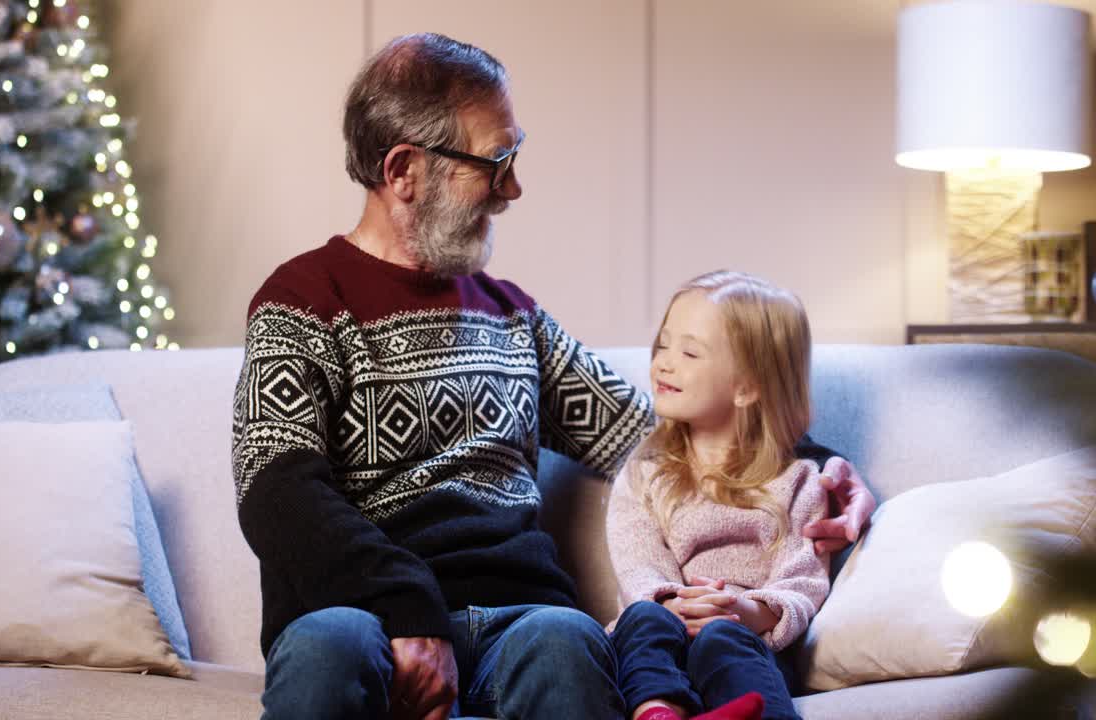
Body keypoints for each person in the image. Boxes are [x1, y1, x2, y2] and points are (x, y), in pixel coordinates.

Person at [230, 33, 875, 720]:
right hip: (358, 613)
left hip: (524, 619)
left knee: (568, 641)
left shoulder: (514, 317)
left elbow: (660, 434)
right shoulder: (302, 301)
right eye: (495, 162)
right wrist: (407, 608)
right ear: (404, 170)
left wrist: (813, 467)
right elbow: (277, 492)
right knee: (323, 648)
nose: (512, 188)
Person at [607, 271, 827, 720]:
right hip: (662, 621)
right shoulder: (645, 472)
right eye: (663, 345)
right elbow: (636, 562)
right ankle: (657, 711)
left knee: (722, 640)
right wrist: (674, 602)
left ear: (746, 386)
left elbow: (803, 580)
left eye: (689, 353)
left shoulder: (800, 480)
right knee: (642, 622)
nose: (663, 363)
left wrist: (746, 611)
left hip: (741, 633)